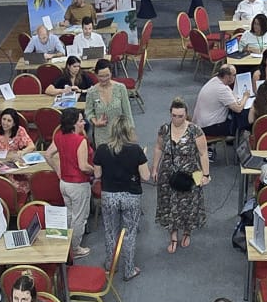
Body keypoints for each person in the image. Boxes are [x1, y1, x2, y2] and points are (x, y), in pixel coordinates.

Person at [96, 117, 151, 282]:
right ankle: (129, 269)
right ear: (129, 131)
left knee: (110, 231)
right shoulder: (136, 150)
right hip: (131, 196)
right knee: (129, 233)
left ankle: (110, 264)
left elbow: (97, 174)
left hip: (109, 196)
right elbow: (146, 176)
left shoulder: (102, 149)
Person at [155, 98, 211, 254]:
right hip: (168, 173)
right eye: (174, 115)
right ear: (170, 114)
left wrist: (205, 175)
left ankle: (187, 231)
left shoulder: (195, 130)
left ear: (186, 114)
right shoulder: (164, 129)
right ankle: (173, 236)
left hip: (191, 173)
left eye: (181, 116)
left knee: (189, 205)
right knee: (170, 204)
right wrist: (155, 169)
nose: (177, 119)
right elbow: (159, 148)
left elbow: (203, 153)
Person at [46, 108, 94, 258]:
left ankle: (66, 242)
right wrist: (94, 170)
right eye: (80, 120)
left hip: (64, 183)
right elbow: (83, 166)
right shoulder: (80, 141)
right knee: (80, 217)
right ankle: (75, 249)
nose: (83, 122)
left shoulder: (59, 135)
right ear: (74, 123)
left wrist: (58, 170)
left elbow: (48, 154)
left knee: (69, 212)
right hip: (78, 184)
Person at [83, 60, 134, 149]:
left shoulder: (120, 88)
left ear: (111, 73)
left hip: (120, 134)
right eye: (101, 76)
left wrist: (131, 131)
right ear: (96, 75)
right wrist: (95, 122)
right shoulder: (91, 92)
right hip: (101, 135)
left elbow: (127, 113)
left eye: (107, 75)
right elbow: (88, 112)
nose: (104, 79)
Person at [193, 64, 245, 147]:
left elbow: (231, 95)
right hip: (208, 127)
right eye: (234, 75)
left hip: (201, 123)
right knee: (240, 121)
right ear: (228, 76)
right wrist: (245, 97)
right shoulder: (221, 89)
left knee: (233, 115)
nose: (235, 77)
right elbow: (238, 108)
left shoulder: (215, 80)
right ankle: (237, 147)